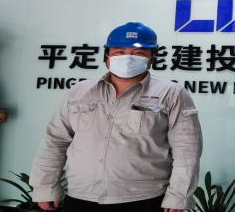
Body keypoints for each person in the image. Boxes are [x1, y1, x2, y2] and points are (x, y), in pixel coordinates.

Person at [29, 22, 202, 211]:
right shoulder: (79, 92)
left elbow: (187, 150)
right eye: (119, 52)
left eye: (138, 53)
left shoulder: (172, 93)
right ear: (107, 55)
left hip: (144, 200)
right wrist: (45, 186)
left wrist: (178, 196)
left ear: (152, 57)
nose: (127, 58)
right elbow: (55, 141)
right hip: (80, 197)